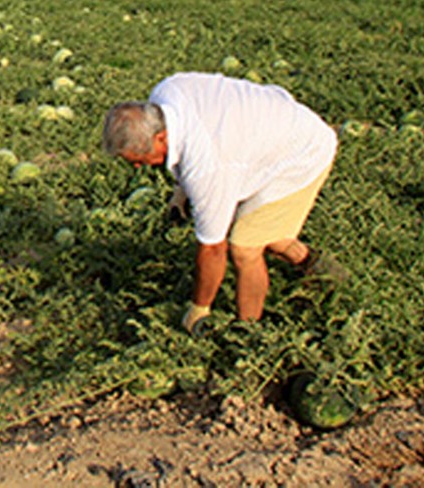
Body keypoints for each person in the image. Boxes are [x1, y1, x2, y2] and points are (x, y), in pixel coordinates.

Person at [102, 72, 339, 333]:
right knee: (263, 228)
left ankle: (249, 334)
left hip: (301, 154)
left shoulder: (207, 168)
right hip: (276, 127)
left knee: (245, 247)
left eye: (139, 157)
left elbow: (213, 249)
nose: (137, 166)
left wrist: (199, 308)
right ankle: (316, 266)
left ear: (160, 137)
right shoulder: (166, 93)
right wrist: (181, 189)